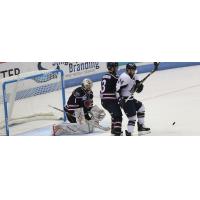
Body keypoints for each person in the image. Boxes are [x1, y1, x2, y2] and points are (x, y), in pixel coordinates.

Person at [116, 63, 150, 136]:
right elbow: (117, 90)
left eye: (133, 70)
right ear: (127, 70)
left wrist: (140, 86)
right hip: (125, 100)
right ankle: (129, 132)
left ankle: (141, 127)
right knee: (132, 117)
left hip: (131, 98)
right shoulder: (124, 77)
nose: (132, 72)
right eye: (130, 70)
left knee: (141, 108)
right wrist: (119, 99)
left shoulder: (135, 76)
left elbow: (137, 89)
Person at [100, 62, 123, 136]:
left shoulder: (104, 76)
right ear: (112, 68)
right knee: (118, 115)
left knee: (114, 114)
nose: (116, 68)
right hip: (110, 100)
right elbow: (118, 88)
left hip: (104, 101)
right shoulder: (114, 77)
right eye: (115, 67)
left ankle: (113, 130)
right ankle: (117, 131)